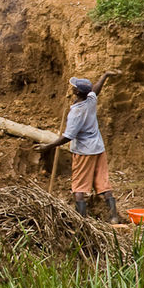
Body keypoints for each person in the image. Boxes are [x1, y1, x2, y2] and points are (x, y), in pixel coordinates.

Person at [34, 70, 121, 223]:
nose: (72, 88)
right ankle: (113, 217)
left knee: (79, 187)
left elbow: (68, 136)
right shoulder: (91, 100)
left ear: (77, 92)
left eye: (73, 87)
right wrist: (105, 76)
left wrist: (48, 146)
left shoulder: (76, 112)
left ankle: (82, 220)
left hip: (84, 152)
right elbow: (96, 89)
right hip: (98, 148)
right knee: (103, 183)